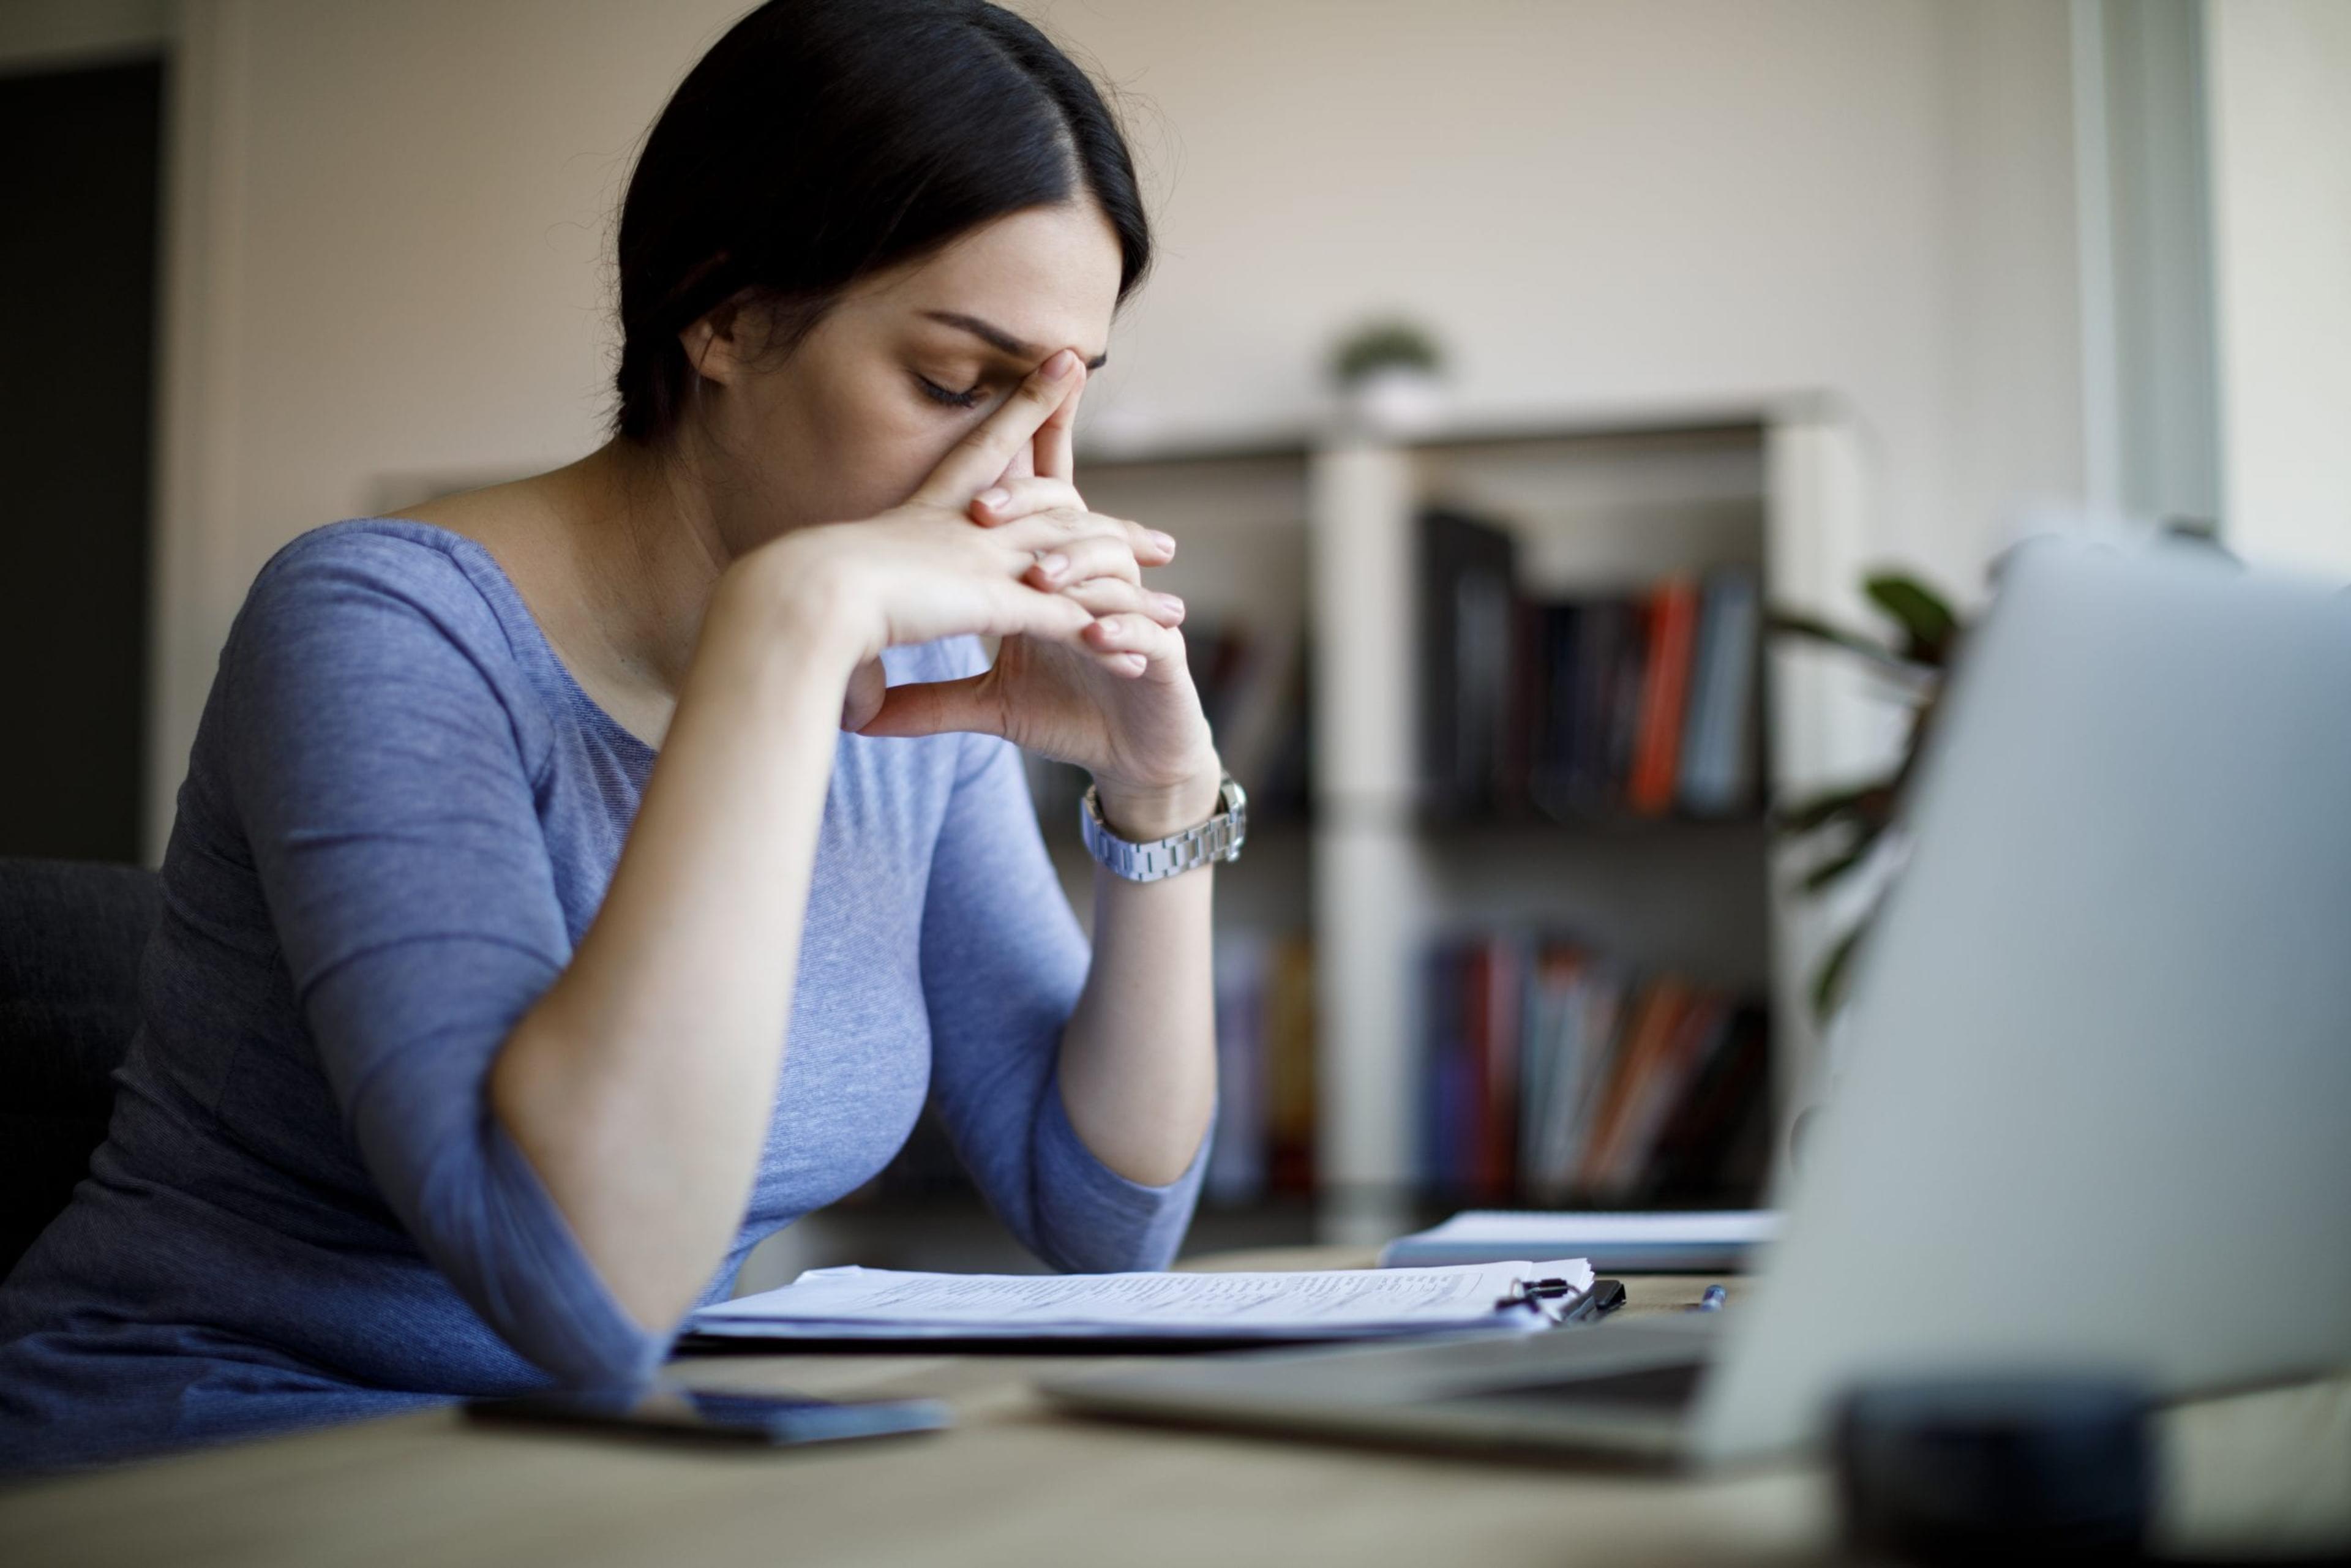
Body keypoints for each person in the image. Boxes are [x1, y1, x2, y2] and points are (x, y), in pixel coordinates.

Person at [0, 0, 1221, 1471]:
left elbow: (1106, 1215)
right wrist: (782, 634)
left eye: (1053, 400)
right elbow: (575, 1283)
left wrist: (1163, 796)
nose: (1011, 474)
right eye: (960, 385)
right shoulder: (382, 623)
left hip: (583, 1456)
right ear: (722, 313)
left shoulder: (917, 680)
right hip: (217, 1449)